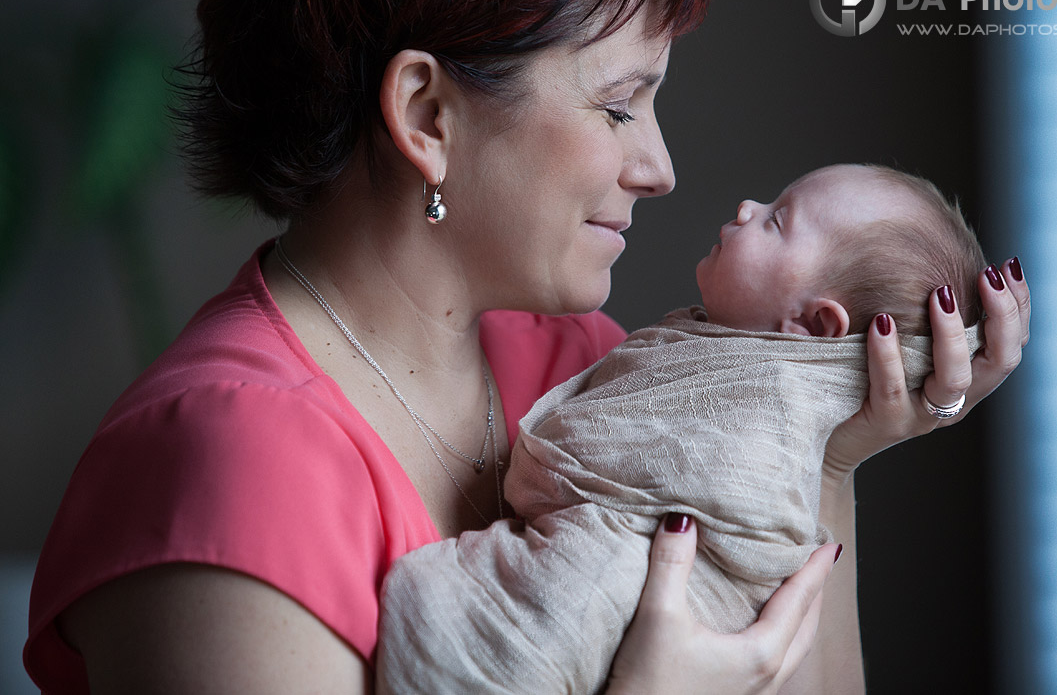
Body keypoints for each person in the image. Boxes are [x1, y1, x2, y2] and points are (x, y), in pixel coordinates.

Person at [23, 0, 1032, 693]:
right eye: (617, 105)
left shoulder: (582, 366)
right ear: (426, 112)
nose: (659, 167)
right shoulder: (230, 466)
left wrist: (826, 438)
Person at [376, 162, 990, 693]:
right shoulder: (664, 360)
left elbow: (684, 482)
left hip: (636, 586)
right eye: (617, 107)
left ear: (813, 328)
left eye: (776, 220)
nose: (748, 206)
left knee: (505, 619)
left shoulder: (753, 415)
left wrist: (837, 458)